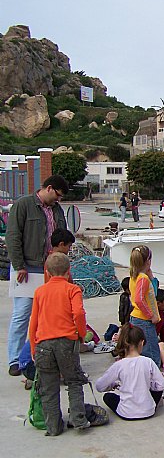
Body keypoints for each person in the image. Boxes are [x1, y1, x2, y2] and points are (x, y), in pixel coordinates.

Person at [6, 174, 68, 376]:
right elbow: (13, 236)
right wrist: (19, 265)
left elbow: (62, 236)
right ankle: (15, 360)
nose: (58, 200)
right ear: (49, 188)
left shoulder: (57, 210)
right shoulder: (23, 205)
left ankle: (36, 355)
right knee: (22, 314)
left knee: (45, 315)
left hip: (49, 269)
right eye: (57, 195)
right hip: (27, 268)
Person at [28, 253, 90, 435]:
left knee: (48, 387)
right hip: (66, 342)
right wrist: (80, 333)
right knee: (74, 381)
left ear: (47, 272)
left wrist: (33, 346)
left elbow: (34, 322)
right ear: (69, 271)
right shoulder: (73, 289)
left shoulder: (40, 292)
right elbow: (78, 313)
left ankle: (53, 426)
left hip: (43, 344)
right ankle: (79, 419)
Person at [96, 324, 164, 420]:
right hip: (149, 411)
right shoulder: (148, 361)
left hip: (126, 413)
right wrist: (149, 385)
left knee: (108, 397)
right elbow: (162, 385)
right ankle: (150, 403)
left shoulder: (119, 365)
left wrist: (112, 385)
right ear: (142, 343)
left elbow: (99, 386)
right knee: (155, 388)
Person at [128, 245, 161, 368]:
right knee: (151, 353)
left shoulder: (134, 275)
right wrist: (151, 315)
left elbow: (152, 293)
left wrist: (151, 276)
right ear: (148, 261)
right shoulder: (143, 279)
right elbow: (139, 299)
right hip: (144, 320)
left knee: (142, 351)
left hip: (138, 318)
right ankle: (153, 380)